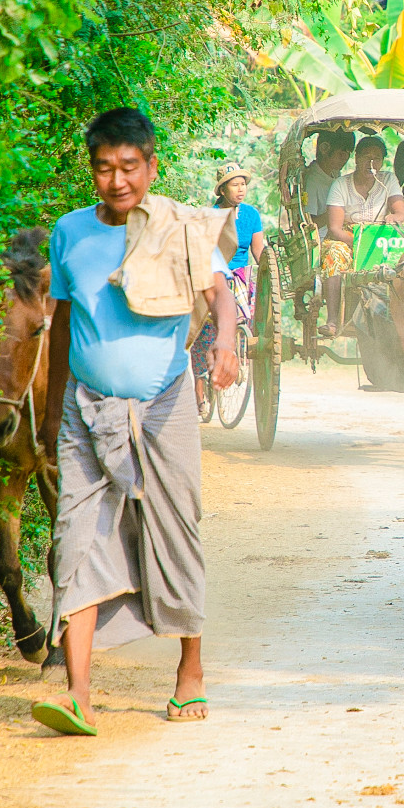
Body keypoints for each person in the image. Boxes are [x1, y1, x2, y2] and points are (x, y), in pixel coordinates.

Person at [36, 107, 239, 735]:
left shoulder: (177, 226)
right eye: (104, 168)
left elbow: (219, 295)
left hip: (165, 403)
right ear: (92, 171)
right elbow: (64, 325)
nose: (117, 180)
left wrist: (226, 344)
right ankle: (77, 692)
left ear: (151, 166)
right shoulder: (69, 233)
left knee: (176, 526)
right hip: (85, 407)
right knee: (77, 534)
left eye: (129, 167)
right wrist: (50, 415)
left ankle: (190, 673)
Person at [194, 162, 267, 410]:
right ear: (222, 190)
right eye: (235, 185)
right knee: (204, 328)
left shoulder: (251, 215)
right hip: (216, 273)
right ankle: (199, 386)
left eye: (243, 184)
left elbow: (259, 250)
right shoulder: (209, 216)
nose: (240, 189)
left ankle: (240, 356)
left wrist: (272, 274)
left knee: (248, 316)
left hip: (242, 276)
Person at [321, 135, 404, 335]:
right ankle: (333, 320)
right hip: (346, 239)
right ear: (357, 159)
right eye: (367, 157)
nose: (371, 163)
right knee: (332, 254)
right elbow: (334, 228)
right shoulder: (341, 185)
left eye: (377, 158)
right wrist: (361, 242)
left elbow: (400, 213)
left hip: (380, 237)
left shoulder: (388, 180)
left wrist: (394, 217)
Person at [302, 131, 356, 228]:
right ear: (324, 148)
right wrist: (336, 211)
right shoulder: (312, 181)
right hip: (321, 240)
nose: (345, 158)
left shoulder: (335, 174)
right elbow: (310, 224)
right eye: (341, 153)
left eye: (348, 153)